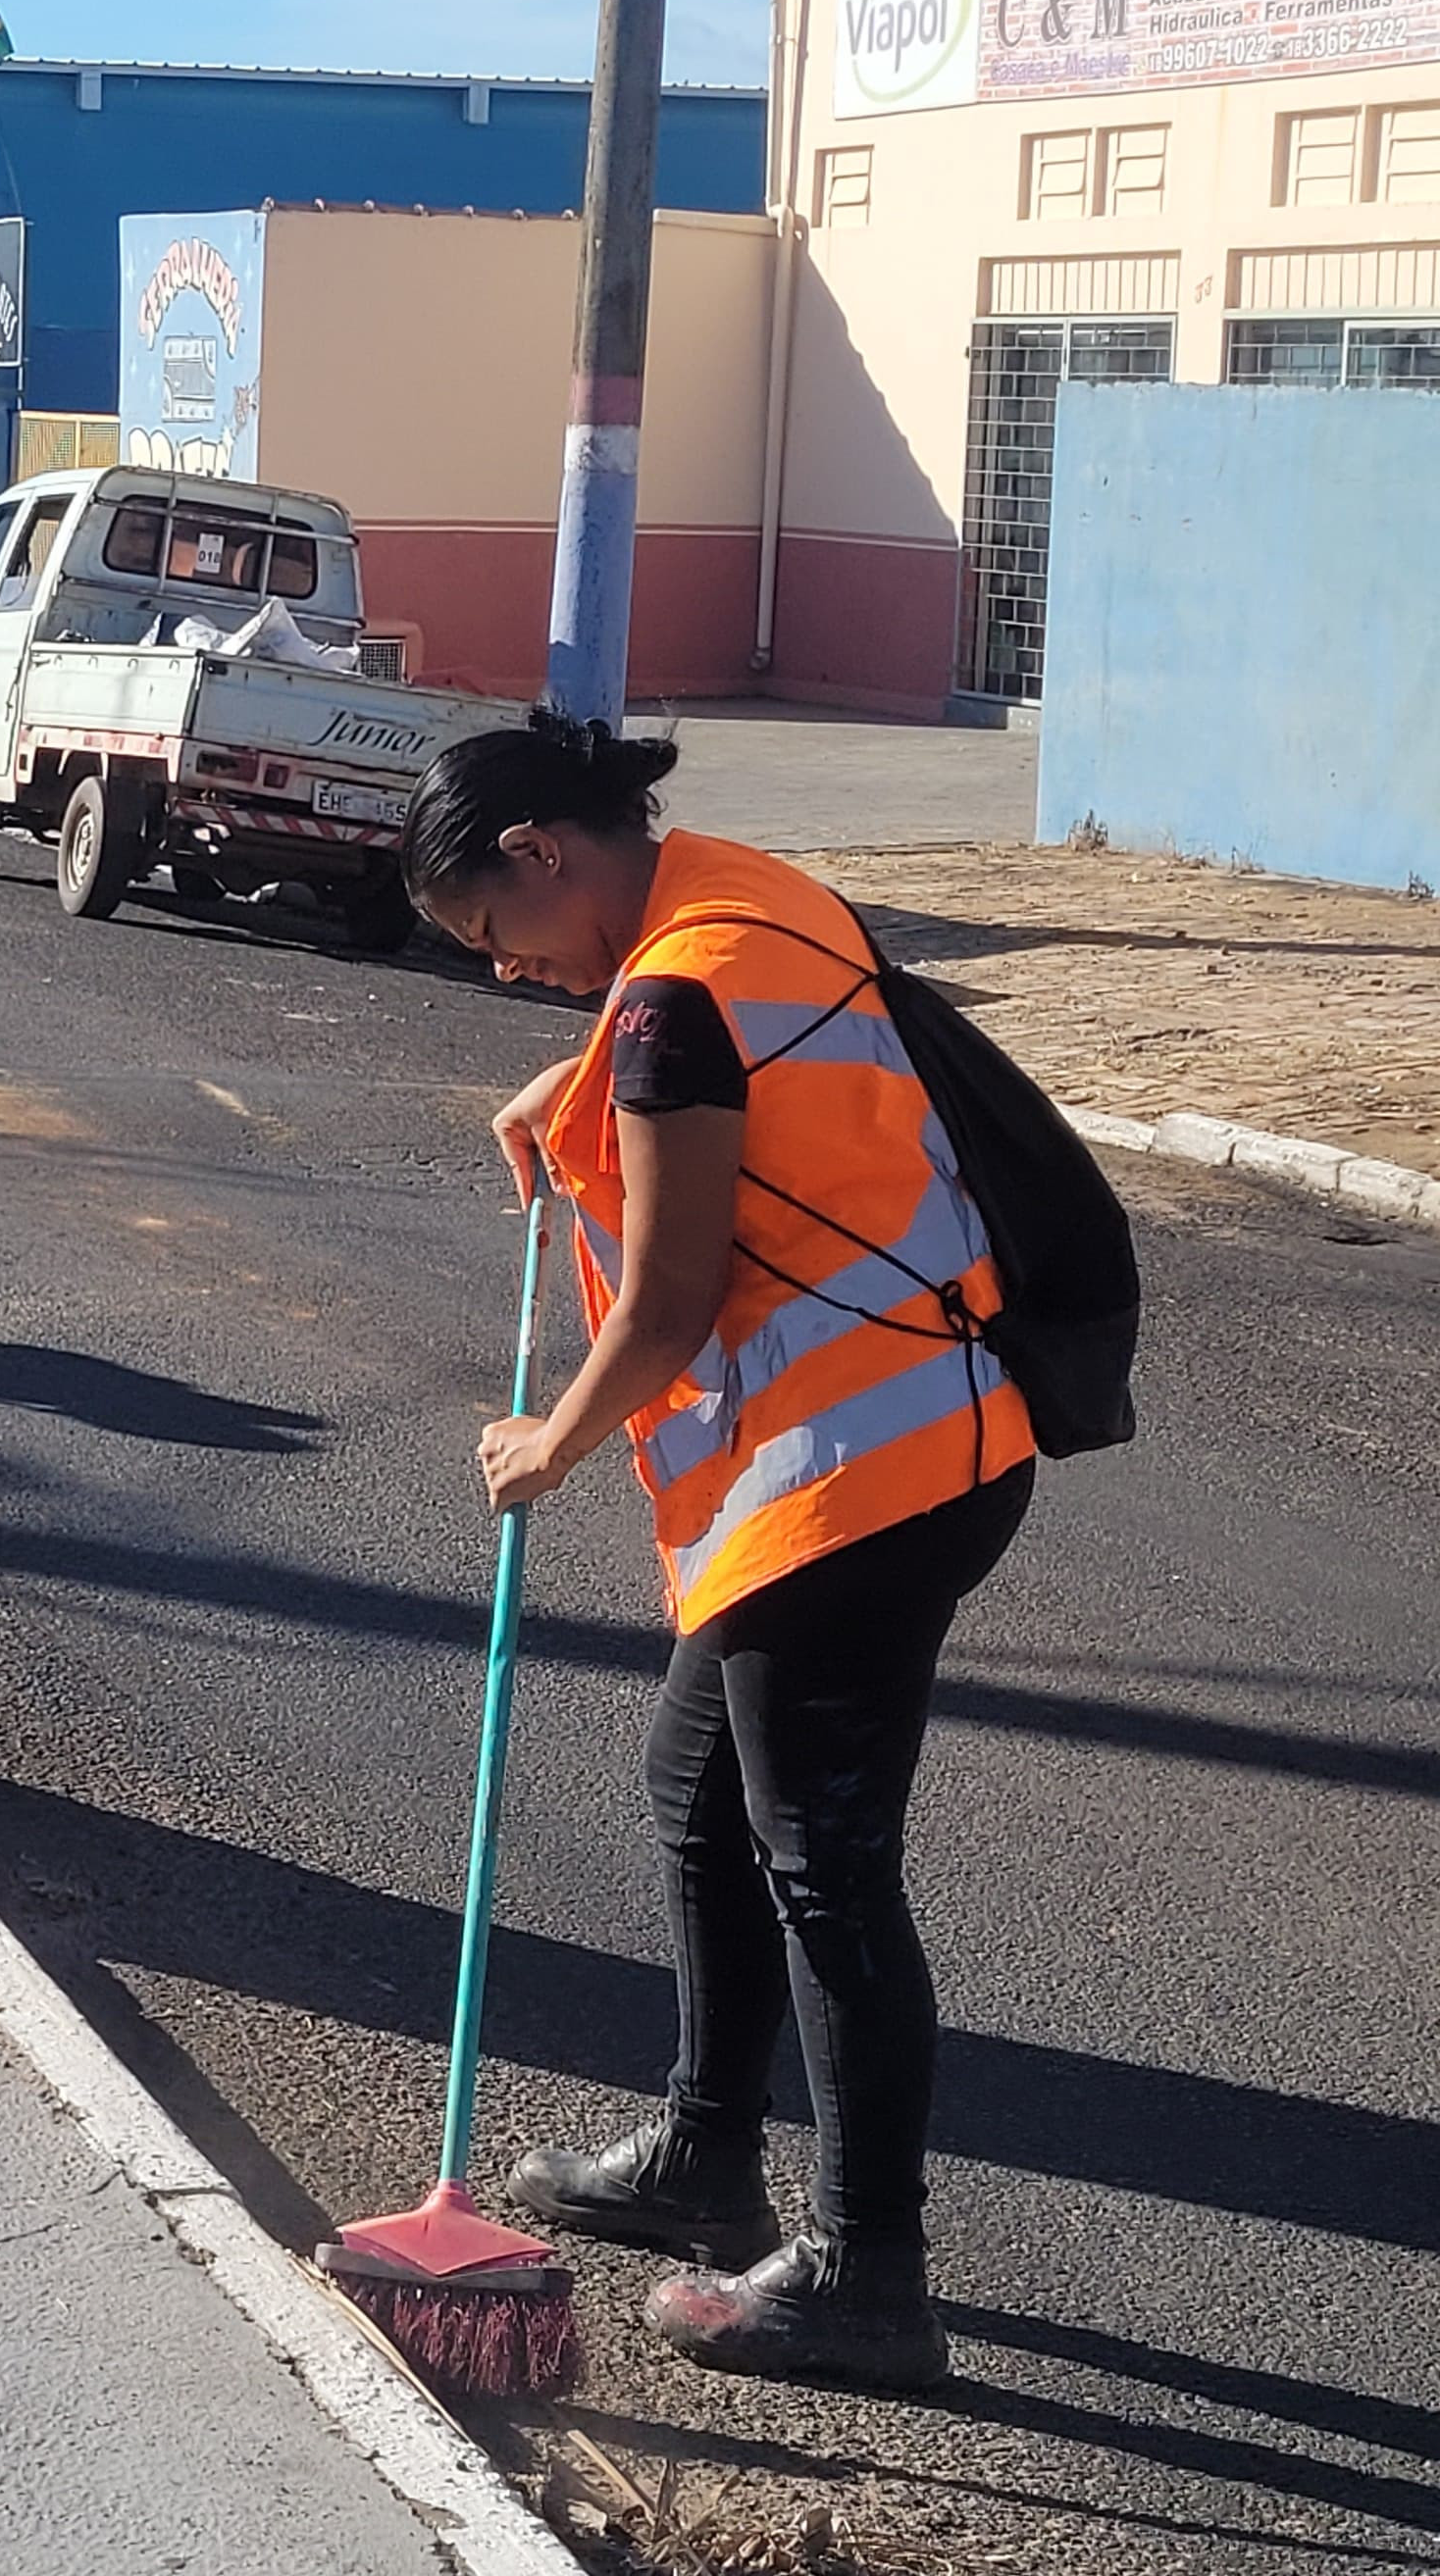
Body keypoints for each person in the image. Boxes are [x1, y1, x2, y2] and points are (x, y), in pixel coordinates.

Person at [399, 707, 1036, 2393]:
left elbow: (672, 1302)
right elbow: (719, 1042)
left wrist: (548, 1437)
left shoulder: (672, 997)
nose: (503, 972)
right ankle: (701, 2149)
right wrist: (589, 1055)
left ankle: (863, 2271)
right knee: (696, 1791)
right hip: (911, 1423)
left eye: (492, 933)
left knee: (822, 1857)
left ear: (540, 853)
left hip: (862, 1467)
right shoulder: (742, 896)